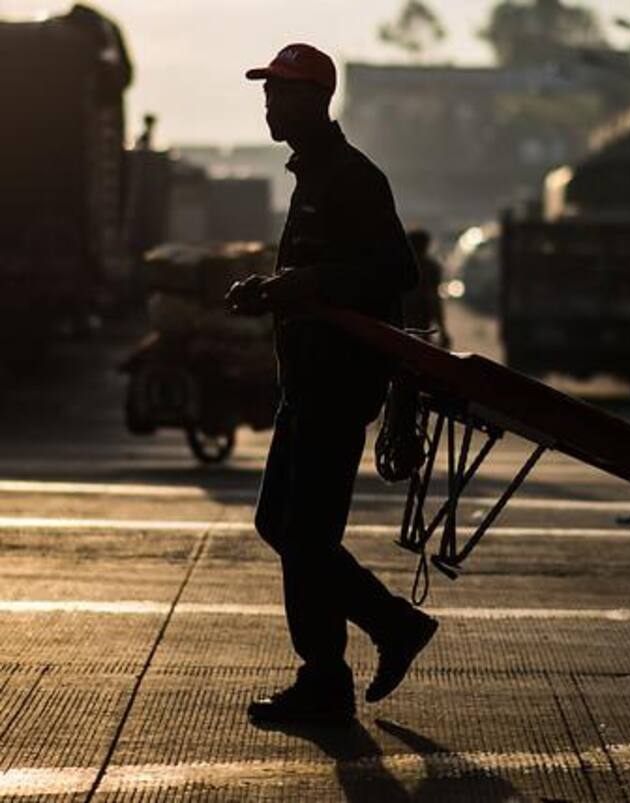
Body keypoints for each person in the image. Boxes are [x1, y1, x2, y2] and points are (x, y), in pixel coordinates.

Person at [227, 43, 437, 725]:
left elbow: (394, 272)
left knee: (305, 535)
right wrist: (271, 290)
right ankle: (380, 632)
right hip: (307, 380)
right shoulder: (312, 178)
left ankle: (335, 670)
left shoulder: (352, 178)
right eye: (267, 90)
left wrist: (308, 284)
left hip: (338, 385)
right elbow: (321, 277)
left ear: (315, 99)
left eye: (281, 92)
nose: (268, 102)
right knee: (280, 524)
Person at [402, 229, 450, 347]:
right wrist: (443, 329)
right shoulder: (431, 268)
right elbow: (434, 299)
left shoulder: (401, 266)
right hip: (422, 320)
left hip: (405, 321)